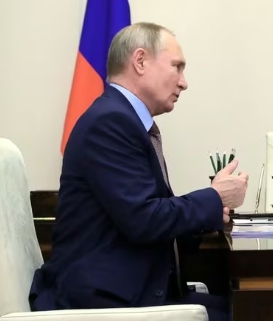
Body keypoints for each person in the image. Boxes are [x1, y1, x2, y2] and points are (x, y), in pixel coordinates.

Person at [29, 22, 248, 321]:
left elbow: (149, 217)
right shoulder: (110, 122)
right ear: (141, 61)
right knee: (258, 309)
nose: (184, 83)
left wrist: (213, 209)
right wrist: (213, 197)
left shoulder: (126, 120)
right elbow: (144, 220)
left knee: (250, 306)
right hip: (105, 302)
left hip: (133, 289)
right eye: (177, 67)